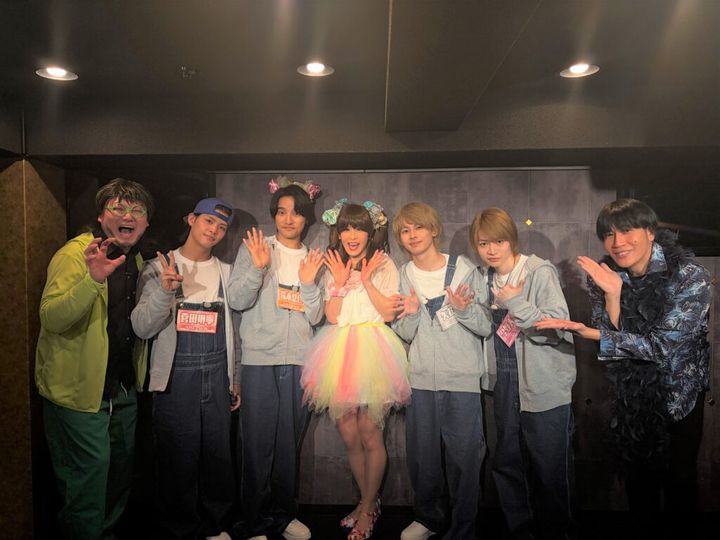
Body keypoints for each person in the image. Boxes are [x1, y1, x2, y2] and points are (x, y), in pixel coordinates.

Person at [535, 199, 711, 536]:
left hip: (679, 398)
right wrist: (613, 296)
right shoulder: (606, 277)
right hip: (633, 399)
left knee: (679, 485)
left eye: (627, 231)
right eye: (609, 235)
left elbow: (662, 347)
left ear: (650, 232)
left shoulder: (690, 276)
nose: (618, 243)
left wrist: (595, 334)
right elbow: (614, 354)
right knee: (639, 487)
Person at [35, 178, 154, 540]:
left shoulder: (136, 259)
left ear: (146, 223)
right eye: (118, 208)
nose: (128, 216)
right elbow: (51, 317)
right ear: (101, 216)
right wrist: (92, 279)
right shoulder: (75, 255)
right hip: (78, 391)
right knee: (87, 480)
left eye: (137, 210)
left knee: (119, 474)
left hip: (122, 388)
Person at [301, 199, 411, 540]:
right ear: (338, 231)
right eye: (346, 228)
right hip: (338, 351)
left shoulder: (384, 263)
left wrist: (366, 280)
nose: (352, 235)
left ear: (370, 232)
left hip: (374, 349)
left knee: (370, 433)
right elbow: (333, 316)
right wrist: (337, 282)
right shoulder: (334, 262)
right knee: (349, 435)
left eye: (359, 228)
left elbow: (388, 314)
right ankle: (368, 503)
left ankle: (366, 510)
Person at [131, 197, 239, 540]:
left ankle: (215, 525)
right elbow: (141, 327)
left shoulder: (227, 271)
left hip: (217, 373)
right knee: (177, 457)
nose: (214, 230)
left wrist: (234, 379)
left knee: (218, 456)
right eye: (208, 221)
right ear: (191, 219)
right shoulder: (158, 266)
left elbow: (235, 333)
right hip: (176, 377)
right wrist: (165, 292)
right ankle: (180, 530)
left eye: (222, 227)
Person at [227, 178, 324, 540]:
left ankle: (283, 516)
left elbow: (316, 315)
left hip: (299, 360)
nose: (288, 219)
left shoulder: (314, 258)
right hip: (259, 361)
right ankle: (253, 521)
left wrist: (309, 283)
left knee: (288, 444)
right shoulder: (256, 247)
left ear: (306, 218)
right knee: (256, 445)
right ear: (274, 215)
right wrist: (257, 267)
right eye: (282, 212)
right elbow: (237, 300)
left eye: (296, 213)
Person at [471, 207, 576, 540]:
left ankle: (557, 533)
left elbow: (557, 328)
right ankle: (520, 530)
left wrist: (516, 302)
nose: (492, 250)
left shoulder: (538, 271)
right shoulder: (483, 277)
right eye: (484, 243)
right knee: (507, 461)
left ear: (511, 239)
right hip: (504, 380)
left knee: (550, 466)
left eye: (499, 241)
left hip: (543, 379)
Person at [391, 202, 490, 540]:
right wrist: (412, 314)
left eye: (418, 227)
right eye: (405, 230)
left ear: (434, 230)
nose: (412, 235)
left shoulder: (464, 269)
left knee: (465, 459)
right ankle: (428, 519)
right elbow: (404, 332)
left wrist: (462, 310)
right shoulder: (404, 274)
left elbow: (485, 325)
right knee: (423, 458)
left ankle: (463, 528)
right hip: (420, 380)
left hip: (461, 380)